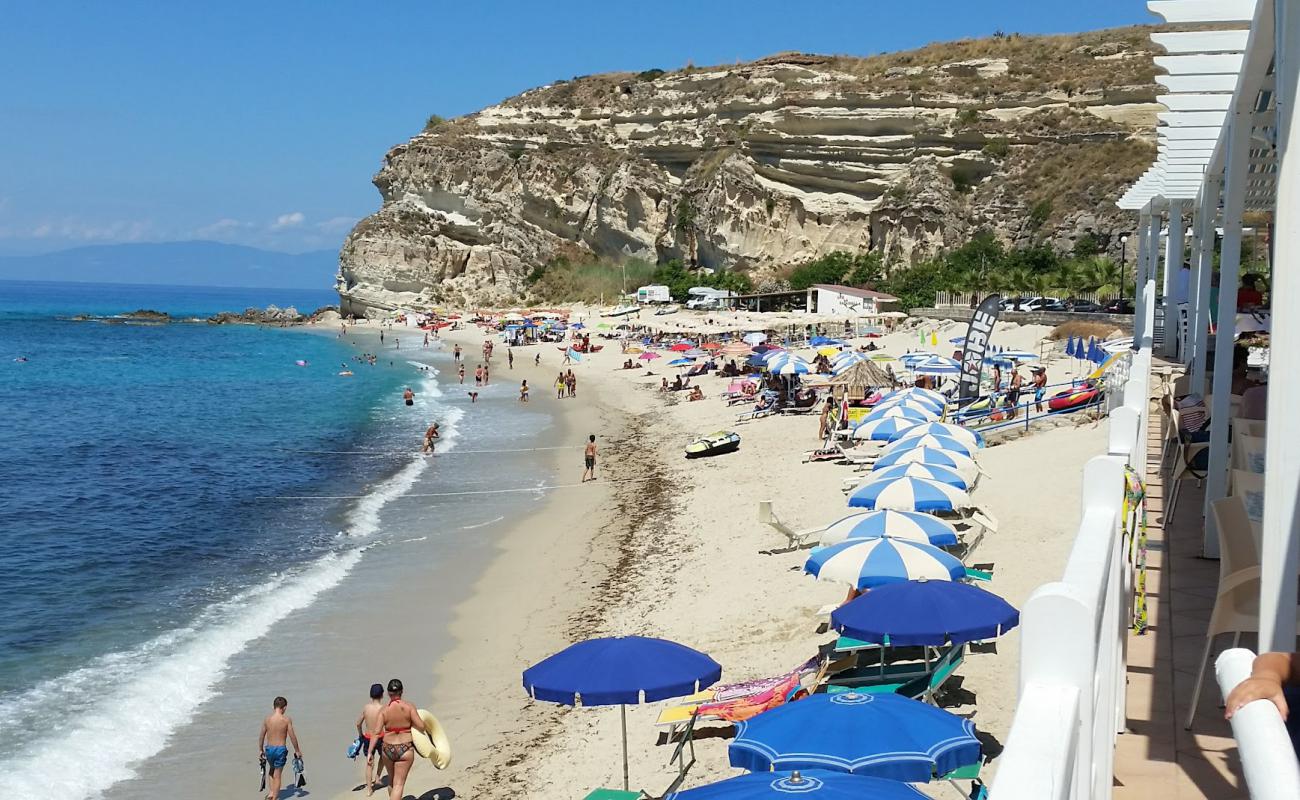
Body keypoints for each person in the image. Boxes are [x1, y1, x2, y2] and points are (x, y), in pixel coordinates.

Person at [372, 678, 428, 800]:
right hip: (405, 747)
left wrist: (369, 754)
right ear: (402, 691)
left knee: (392, 782)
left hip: (387, 749)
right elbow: (421, 726)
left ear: (388, 693)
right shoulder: (409, 707)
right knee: (399, 784)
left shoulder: (384, 710)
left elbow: (376, 733)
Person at [257, 696, 302, 800]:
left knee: (271, 771)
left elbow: (261, 736)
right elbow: (292, 736)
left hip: (269, 749)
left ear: (273, 706)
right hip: (280, 750)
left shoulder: (267, 720)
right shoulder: (286, 720)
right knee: (277, 775)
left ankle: (271, 793)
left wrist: (260, 750)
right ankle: (275, 797)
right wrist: (297, 750)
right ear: (285, 708)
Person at [355, 684, 385, 796]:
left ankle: (369, 789)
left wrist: (361, 735)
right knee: (383, 757)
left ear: (370, 695)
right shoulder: (383, 708)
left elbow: (358, 723)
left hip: (368, 738)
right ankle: (377, 777)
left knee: (369, 763)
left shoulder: (366, 708)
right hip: (381, 737)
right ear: (382, 695)